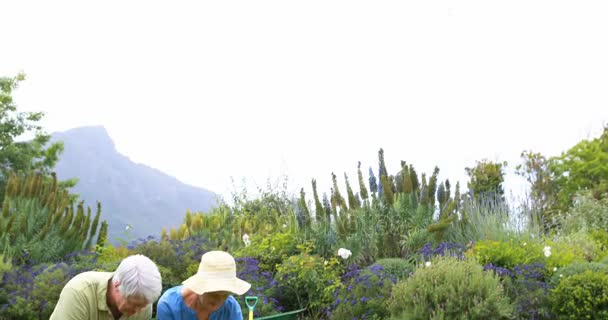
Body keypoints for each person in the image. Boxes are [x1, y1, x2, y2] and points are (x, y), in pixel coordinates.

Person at [50, 254, 162, 320]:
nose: (138, 311)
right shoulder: (79, 293)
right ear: (118, 284)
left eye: (142, 306)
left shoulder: (144, 304)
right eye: (134, 304)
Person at [157, 251, 251, 320]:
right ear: (199, 287)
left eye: (225, 295)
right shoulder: (169, 305)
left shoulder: (231, 308)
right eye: (214, 295)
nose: (219, 302)